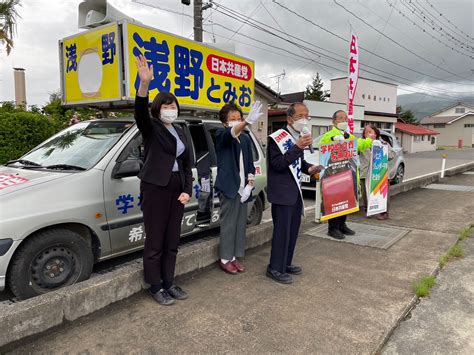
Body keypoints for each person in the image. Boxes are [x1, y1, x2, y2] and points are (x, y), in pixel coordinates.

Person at [134, 55, 192, 306]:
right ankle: (155, 285)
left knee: (172, 241)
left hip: (177, 189)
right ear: (158, 109)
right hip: (156, 188)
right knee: (155, 241)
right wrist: (144, 84)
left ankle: (169, 282)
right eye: (166, 106)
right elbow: (139, 113)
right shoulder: (152, 127)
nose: (171, 109)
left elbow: (187, 164)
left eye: (173, 105)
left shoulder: (180, 130)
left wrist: (187, 190)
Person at [266, 102, 323, 284]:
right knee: (282, 232)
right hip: (282, 193)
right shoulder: (277, 138)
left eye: (307, 115)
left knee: (292, 230)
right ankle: (274, 268)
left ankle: (285, 263)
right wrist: (298, 147)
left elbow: (299, 163)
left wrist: (311, 168)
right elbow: (278, 164)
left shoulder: (298, 137)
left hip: (295, 192)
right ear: (289, 119)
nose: (304, 119)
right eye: (300, 116)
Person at [215, 101, 262, 274]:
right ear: (225, 122)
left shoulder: (246, 138)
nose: (237, 121)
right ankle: (225, 258)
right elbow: (230, 134)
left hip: (244, 188)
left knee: (240, 224)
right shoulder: (221, 134)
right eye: (232, 119)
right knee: (228, 224)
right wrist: (246, 122)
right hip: (229, 187)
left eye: (239, 117)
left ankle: (234, 256)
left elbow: (249, 163)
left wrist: (250, 183)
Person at [319, 110, 373, 240]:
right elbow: (323, 144)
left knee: (345, 200)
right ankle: (332, 228)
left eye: (345, 119)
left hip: (348, 174)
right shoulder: (329, 134)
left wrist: (370, 141)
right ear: (334, 121)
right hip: (334, 174)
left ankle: (342, 225)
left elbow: (358, 144)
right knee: (335, 200)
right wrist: (333, 140)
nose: (343, 121)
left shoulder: (349, 136)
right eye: (340, 119)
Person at [360, 125, 394, 220]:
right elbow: (354, 151)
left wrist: (385, 147)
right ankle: (368, 210)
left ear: (376, 133)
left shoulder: (382, 143)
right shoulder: (362, 143)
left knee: (382, 192)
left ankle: (384, 212)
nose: (369, 134)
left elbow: (392, 155)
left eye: (371, 132)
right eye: (367, 132)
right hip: (365, 172)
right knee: (365, 192)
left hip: (380, 173)